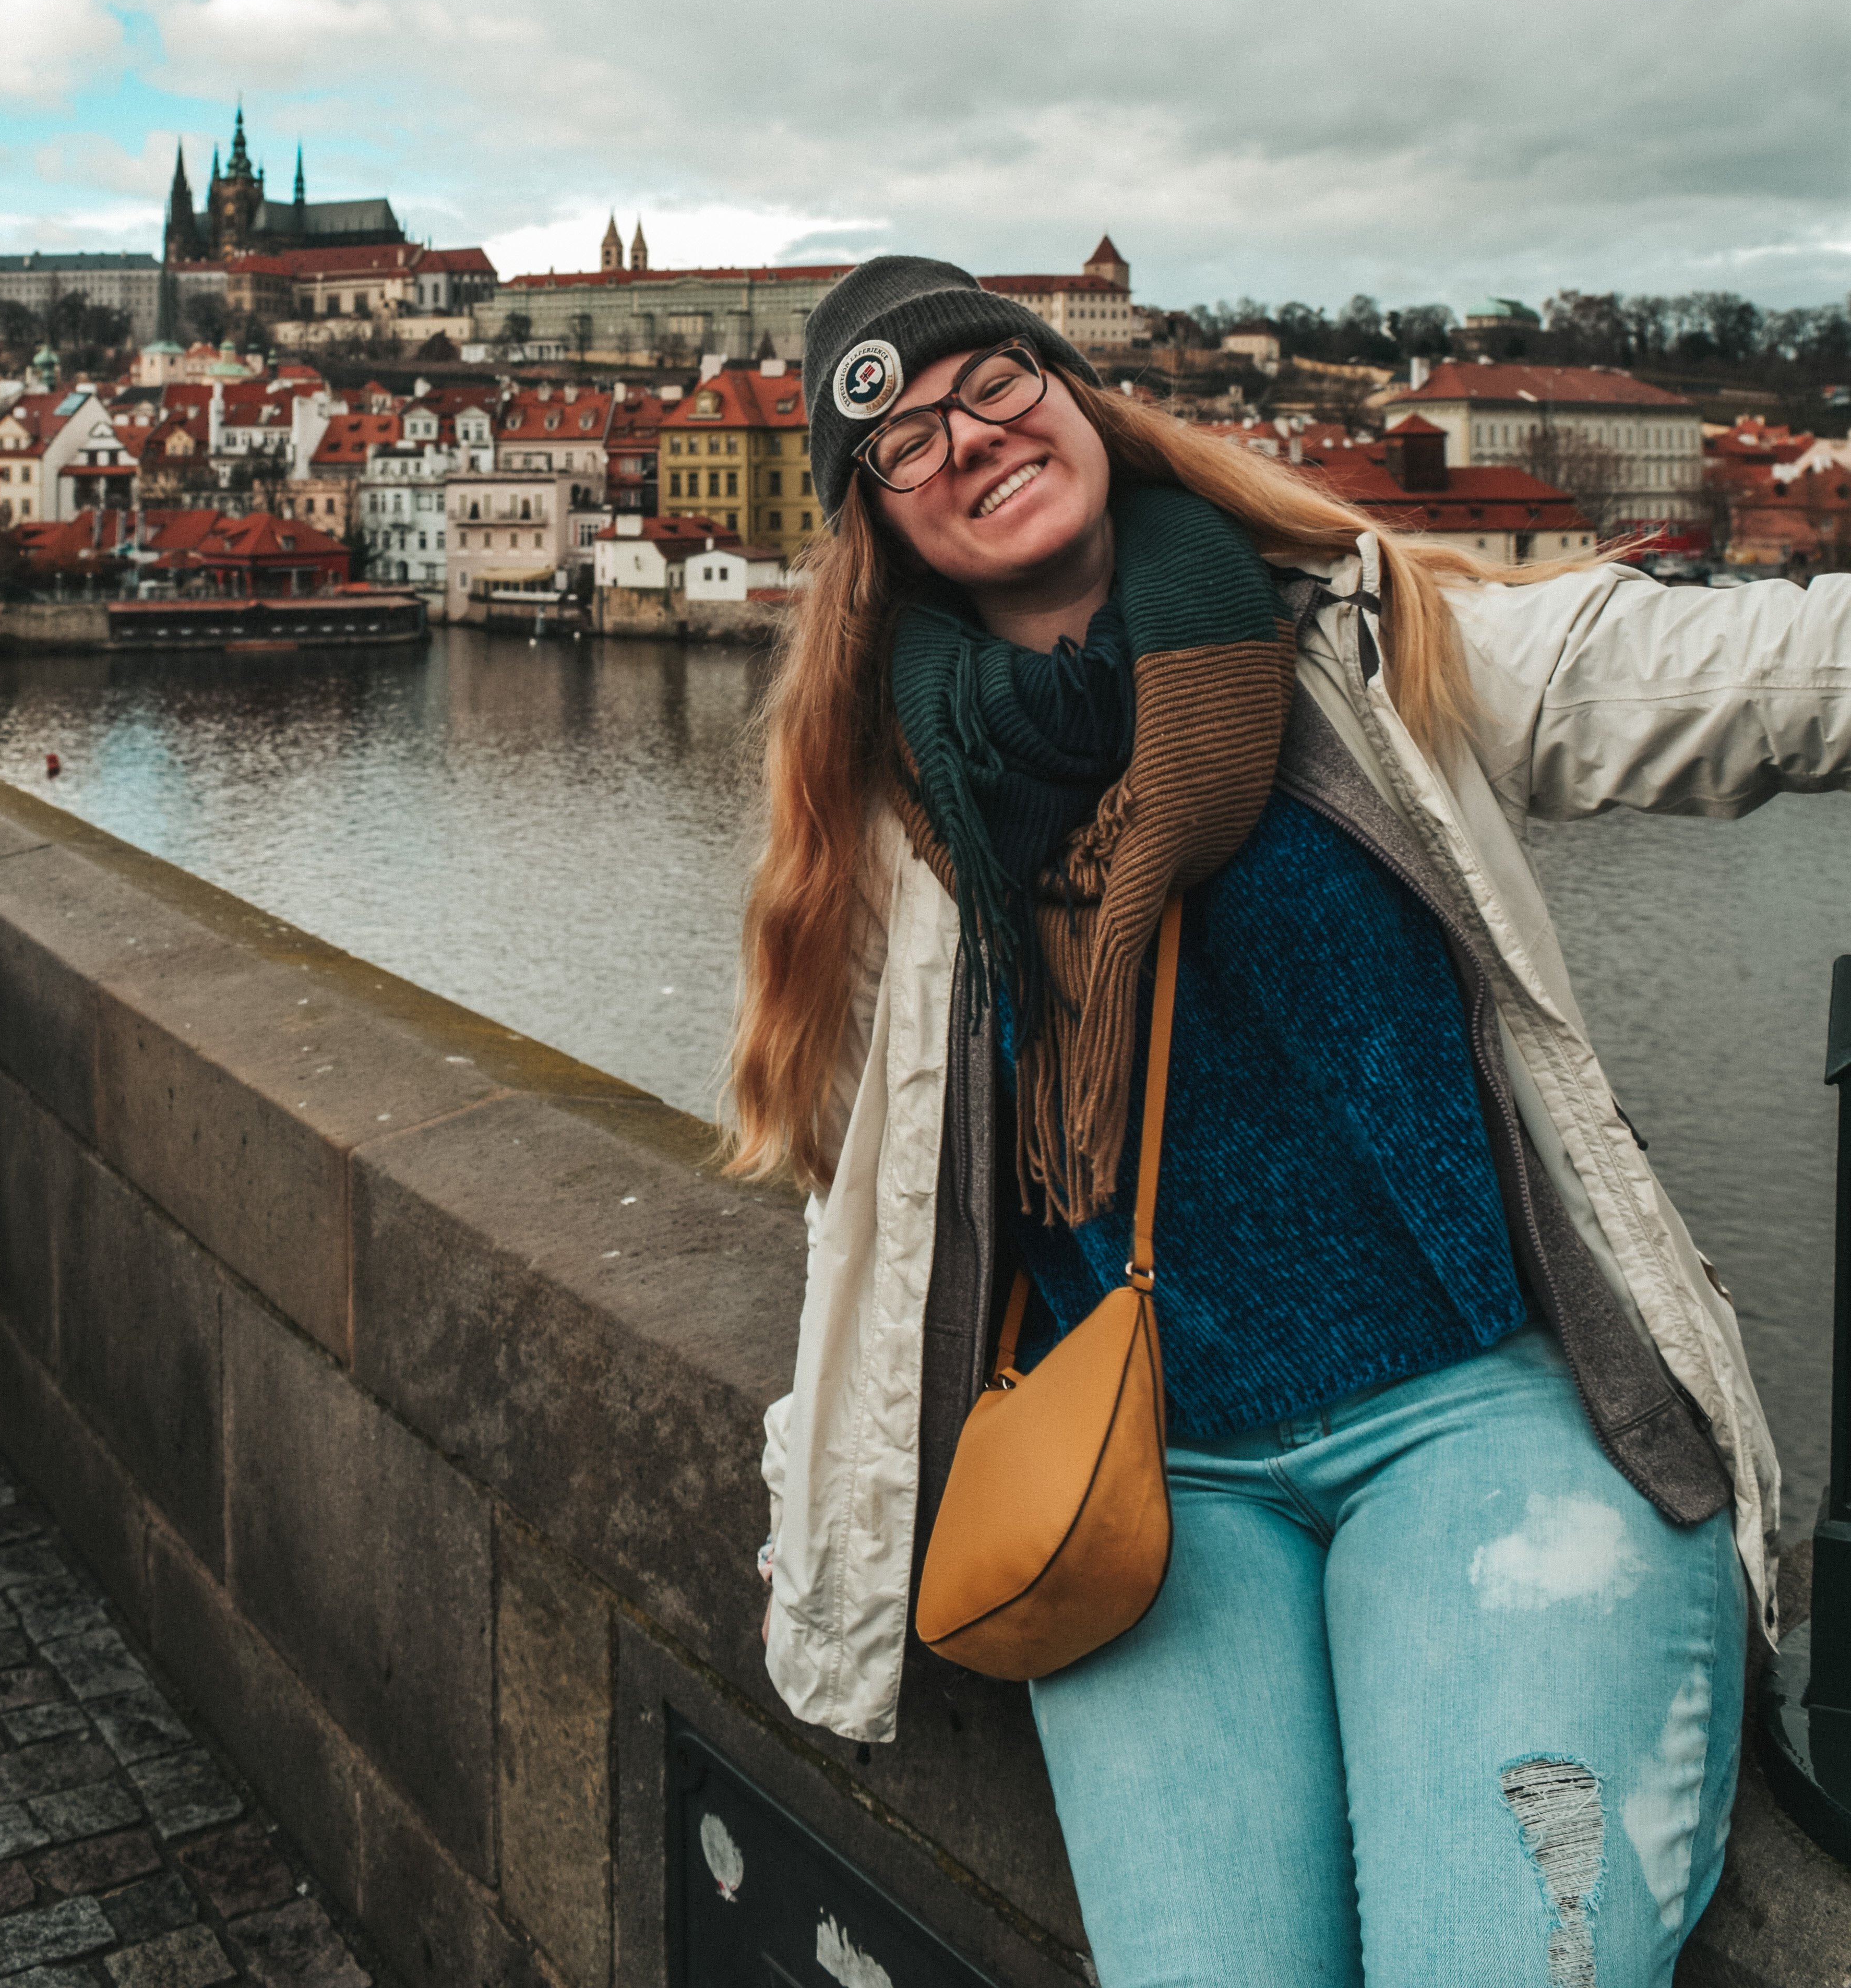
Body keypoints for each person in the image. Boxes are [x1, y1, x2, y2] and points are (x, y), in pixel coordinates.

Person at [728, 255, 1851, 1988]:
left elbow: (1715, 675)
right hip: (1143, 1471)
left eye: (995, 385)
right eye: (906, 440)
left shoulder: (1356, 636)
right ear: (877, 519)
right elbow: (868, 1210)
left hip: (1485, 1408)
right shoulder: (892, 805)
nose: (970, 440)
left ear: (1075, 395)